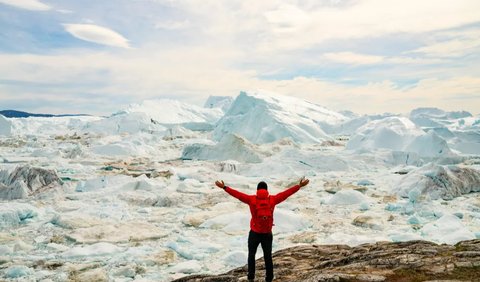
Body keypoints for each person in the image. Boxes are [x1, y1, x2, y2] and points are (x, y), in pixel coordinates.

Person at [215, 177, 310, 282]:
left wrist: (224, 187)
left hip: (254, 233)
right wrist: (299, 186)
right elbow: (286, 194)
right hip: (267, 234)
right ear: (267, 190)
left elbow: (238, 195)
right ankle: (269, 278)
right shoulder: (272, 200)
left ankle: (251, 277)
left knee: (251, 255)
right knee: (267, 256)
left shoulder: (251, 199)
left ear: (257, 190)